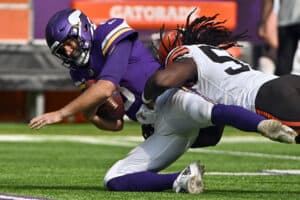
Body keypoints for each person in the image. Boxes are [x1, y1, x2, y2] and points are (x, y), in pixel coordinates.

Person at [29, 9, 297, 193]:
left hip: (167, 100)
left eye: (70, 43)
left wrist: (61, 113)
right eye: (62, 49)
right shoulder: (79, 71)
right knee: (114, 178)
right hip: (159, 128)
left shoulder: (109, 32)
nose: (68, 51)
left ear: (83, 29)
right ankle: (182, 179)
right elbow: (116, 125)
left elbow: (107, 85)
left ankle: (263, 125)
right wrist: (92, 115)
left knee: (210, 111)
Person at [151, 9, 300, 140]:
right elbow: (212, 136)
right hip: (287, 82)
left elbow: (161, 81)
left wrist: (147, 102)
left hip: (269, 97)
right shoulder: (216, 55)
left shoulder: (188, 60)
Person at [258, 0, 300, 75]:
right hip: (286, 22)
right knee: (284, 62)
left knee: (284, 61)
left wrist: (263, 23)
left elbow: (269, 1)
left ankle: (281, 83)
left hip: (285, 21)